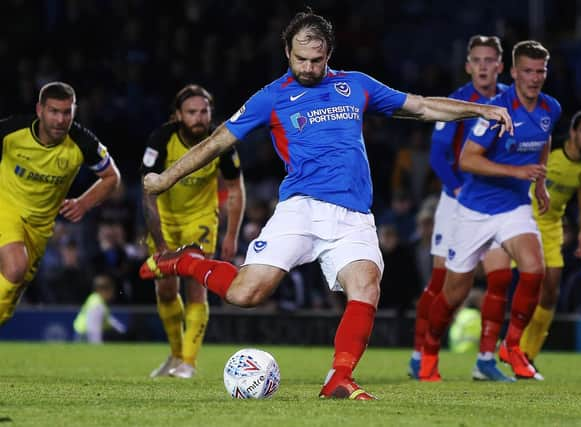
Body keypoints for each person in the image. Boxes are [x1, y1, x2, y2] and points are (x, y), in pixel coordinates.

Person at [139, 9, 512, 400]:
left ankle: (339, 377)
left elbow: (420, 107)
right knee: (244, 295)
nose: (308, 66)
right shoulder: (272, 96)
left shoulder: (356, 85)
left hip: (353, 216)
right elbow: (217, 142)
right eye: (300, 58)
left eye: (316, 59)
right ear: (287, 51)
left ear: (329, 52)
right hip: (301, 209)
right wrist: (166, 178)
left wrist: (479, 109)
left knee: (366, 285)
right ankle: (185, 260)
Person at [421, 40, 561, 382]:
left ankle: (510, 347)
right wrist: (519, 173)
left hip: (513, 208)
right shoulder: (498, 110)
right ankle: (428, 351)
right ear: (513, 73)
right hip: (475, 210)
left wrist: (539, 183)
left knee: (534, 269)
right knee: (454, 292)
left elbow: (544, 141)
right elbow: (468, 160)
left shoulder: (550, 107)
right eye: (527, 70)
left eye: (540, 71)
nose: (534, 77)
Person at [408, 35, 513, 382]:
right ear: (468, 66)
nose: (483, 66)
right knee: (444, 282)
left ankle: (485, 359)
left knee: (500, 278)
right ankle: (419, 352)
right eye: (477, 60)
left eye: (490, 60)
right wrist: (457, 188)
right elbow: (438, 155)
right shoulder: (456, 101)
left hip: (496, 202)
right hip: (457, 201)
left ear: (500, 65)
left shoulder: (512, 100)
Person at [140, 84, 245, 379]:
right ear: (177, 115)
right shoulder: (160, 140)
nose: (199, 118)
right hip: (165, 220)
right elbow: (147, 192)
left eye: (204, 111)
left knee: (196, 284)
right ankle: (174, 355)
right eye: (191, 112)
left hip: (200, 221)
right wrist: (158, 240)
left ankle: (188, 362)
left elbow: (236, 190)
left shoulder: (220, 142)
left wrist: (231, 235)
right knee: (165, 288)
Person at [0, 81, 121, 326]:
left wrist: (84, 203)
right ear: (39, 110)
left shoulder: (83, 142)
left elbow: (112, 177)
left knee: (10, 297)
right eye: (54, 111)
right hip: (7, 208)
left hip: (40, 227)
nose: (60, 119)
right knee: (15, 267)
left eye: (67, 112)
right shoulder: (12, 131)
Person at [519, 109, 581, 366]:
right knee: (525, 282)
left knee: (551, 290)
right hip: (522, 217)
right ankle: (509, 346)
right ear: (573, 133)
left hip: (552, 225)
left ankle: (527, 354)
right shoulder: (550, 149)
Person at [73, 274, 126, 343]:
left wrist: (121, 329)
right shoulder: (97, 304)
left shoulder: (96, 299)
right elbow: (93, 328)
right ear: (103, 290)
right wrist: (97, 344)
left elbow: (108, 319)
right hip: (85, 335)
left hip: (83, 333)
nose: (113, 294)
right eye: (111, 290)